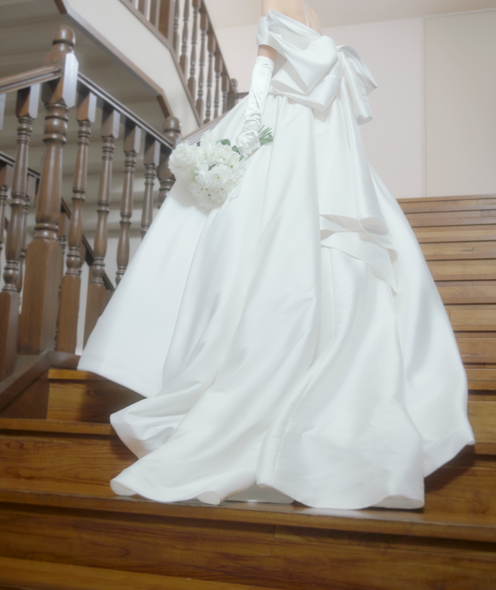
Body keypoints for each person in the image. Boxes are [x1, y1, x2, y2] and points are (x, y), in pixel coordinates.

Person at [78, 0, 474, 509]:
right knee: (325, 237)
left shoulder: (273, 4)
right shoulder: (312, 14)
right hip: (323, 131)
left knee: (250, 233)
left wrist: (241, 140)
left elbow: (262, 74)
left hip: (283, 119)